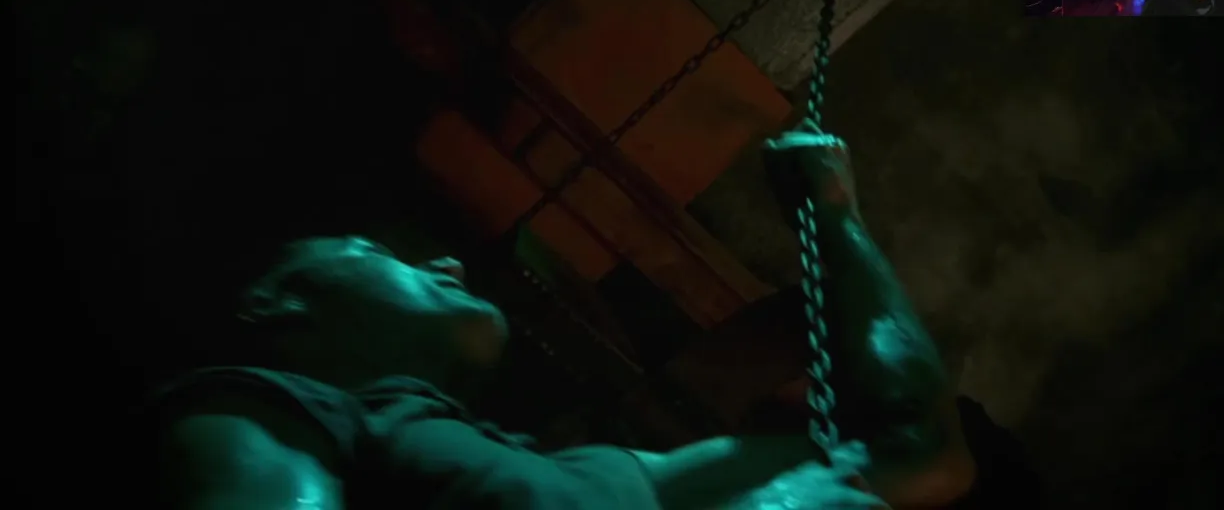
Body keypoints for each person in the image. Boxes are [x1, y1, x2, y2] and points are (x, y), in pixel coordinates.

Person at [150, 121, 978, 508]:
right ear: (278, 301)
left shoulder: (573, 479)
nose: (445, 262)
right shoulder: (258, 411)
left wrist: (832, 214)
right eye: (380, 252)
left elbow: (916, 451)